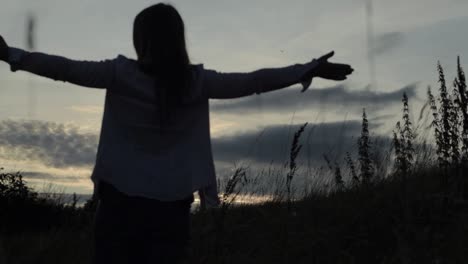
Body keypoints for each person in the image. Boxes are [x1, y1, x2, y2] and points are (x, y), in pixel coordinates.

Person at [0, 3, 353, 264]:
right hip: (171, 208)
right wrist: (308, 69)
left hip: (120, 204)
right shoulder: (196, 82)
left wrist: (10, 54)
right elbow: (254, 82)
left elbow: (63, 69)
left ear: (140, 39)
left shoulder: (120, 74)